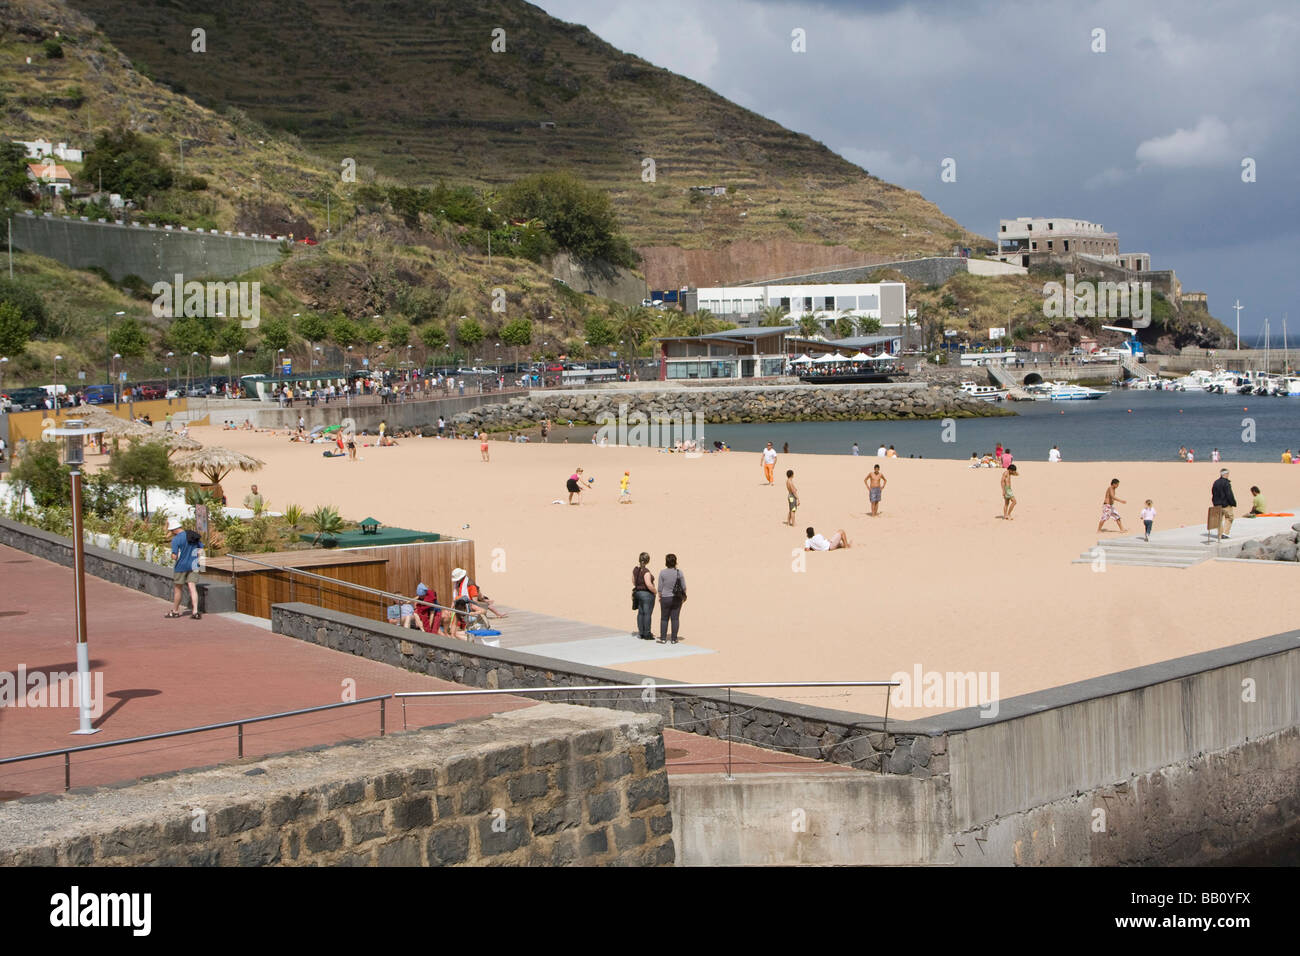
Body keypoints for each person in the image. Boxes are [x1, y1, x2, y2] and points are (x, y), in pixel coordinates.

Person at [165, 520, 203, 619]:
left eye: (172, 531)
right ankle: (195, 612)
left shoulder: (176, 539)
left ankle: (175, 611)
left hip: (181, 566)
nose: (171, 533)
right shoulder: (193, 535)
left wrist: (173, 556)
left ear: (174, 530)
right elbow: (200, 550)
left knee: (178, 589)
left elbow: (174, 556)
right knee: (192, 588)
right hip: (194, 565)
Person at [656, 553, 686, 644]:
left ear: (666, 562)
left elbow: (660, 588)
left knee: (664, 618)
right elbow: (684, 587)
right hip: (676, 598)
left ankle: (663, 638)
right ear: (675, 562)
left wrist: (660, 596)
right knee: (675, 618)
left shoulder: (662, 572)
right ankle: (674, 639)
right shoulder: (679, 572)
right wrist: (683, 597)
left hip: (665, 598)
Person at [632, 552, 656, 640]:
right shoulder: (646, 572)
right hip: (646, 594)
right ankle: (647, 633)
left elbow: (634, 582)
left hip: (638, 593)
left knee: (640, 613)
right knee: (647, 614)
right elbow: (649, 584)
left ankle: (641, 632)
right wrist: (655, 591)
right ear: (647, 561)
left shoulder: (635, 570)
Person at [1211, 468, 1236, 539]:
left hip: (1217, 504)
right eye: (1228, 474)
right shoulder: (1226, 483)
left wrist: (1215, 502)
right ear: (1225, 474)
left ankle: (1220, 533)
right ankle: (1225, 533)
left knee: (1219, 519)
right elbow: (1229, 494)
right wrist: (1233, 502)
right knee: (1229, 517)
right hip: (1225, 504)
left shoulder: (1216, 482)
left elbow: (1213, 493)